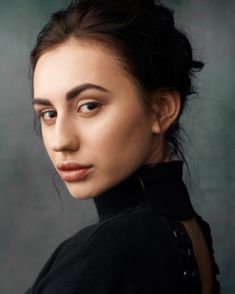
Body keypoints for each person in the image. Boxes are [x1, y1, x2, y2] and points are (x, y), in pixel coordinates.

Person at [25, 0, 220, 293]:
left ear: (161, 109)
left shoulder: (104, 252)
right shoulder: (189, 226)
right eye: (48, 114)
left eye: (88, 106)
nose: (60, 140)